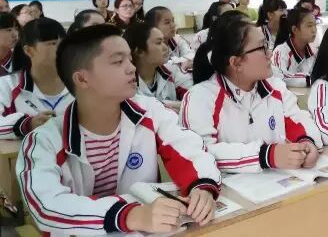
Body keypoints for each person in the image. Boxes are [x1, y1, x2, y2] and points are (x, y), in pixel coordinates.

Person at [17, 24, 220, 234]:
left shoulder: (149, 111)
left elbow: (188, 149)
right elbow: (47, 206)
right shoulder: (44, 141)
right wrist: (130, 215)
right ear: (83, 78)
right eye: (117, 61)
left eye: (130, 59)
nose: (131, 68)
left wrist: (202, 186)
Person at [180, 12, 322, 174]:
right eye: (262, 48)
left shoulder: (275, 87)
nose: (270, 54)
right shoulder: (200, 98)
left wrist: (306, 142)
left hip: (277, 182)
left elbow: (297, 118)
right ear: (236, 62)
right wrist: (265, 156)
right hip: (228, 187)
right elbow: (199, 152)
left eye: (267, 45)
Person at [0, 18, 71, 140]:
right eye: (53, 43)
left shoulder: (81, 83)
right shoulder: (7, 85)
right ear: (29, 50)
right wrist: (27, 125)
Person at [123, 22, 184, 106]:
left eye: (164, 42)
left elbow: (192, 99)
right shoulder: (125, 83)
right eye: (158, 43)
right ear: (139, 51)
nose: (165, 48)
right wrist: (170, 105)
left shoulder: (171, 71)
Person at [145, 6, 194, 92]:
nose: (173, 25)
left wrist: (177, 64)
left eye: (173, 21)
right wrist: (181, 64)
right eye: (167, 22)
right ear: (153, 28)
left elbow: (191, 56)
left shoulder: (177, 39)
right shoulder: (148, 47)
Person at [272, 8, 317, 87]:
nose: (314, 30)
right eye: (309, 26)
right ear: (295, 29)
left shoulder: (314, 52)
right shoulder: (280, 52)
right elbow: (279, 76)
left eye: (315, 25)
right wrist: (311, 79)